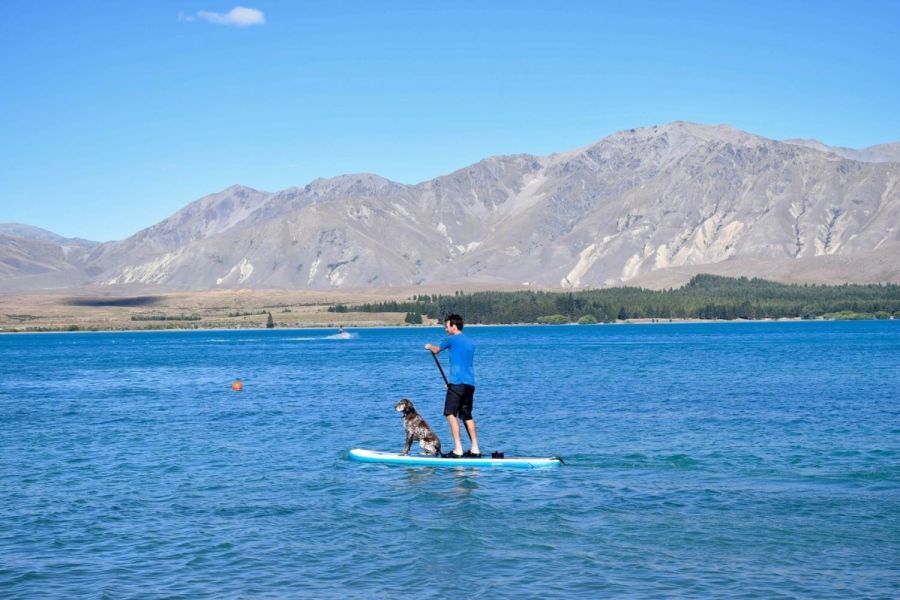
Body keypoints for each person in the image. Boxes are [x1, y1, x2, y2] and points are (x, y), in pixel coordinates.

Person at [425, 314, 481, 458]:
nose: (445, 329)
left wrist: (429, 346)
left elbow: (437, 350)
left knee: (450, 414)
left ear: (453, 326)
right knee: (467, 415)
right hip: (469, 384)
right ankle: (475, 449)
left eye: (447, 326)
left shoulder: (451, 339)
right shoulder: (470, 342)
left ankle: (458, 449)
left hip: (457, 384)